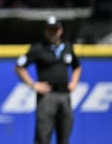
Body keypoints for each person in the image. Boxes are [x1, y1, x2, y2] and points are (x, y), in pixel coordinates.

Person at [14, 16, 82, 144]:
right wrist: (33, 85)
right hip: (47, 96)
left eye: (55, 29)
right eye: (49, 29)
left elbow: (77, 66)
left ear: (60, 30)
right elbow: (19, 67)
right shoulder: (38, 48)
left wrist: (74, 82)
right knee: (43, 136)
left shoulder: (67, 47)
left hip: (64, 95)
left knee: (64, 136)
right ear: (45, 30)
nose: (52, 32)